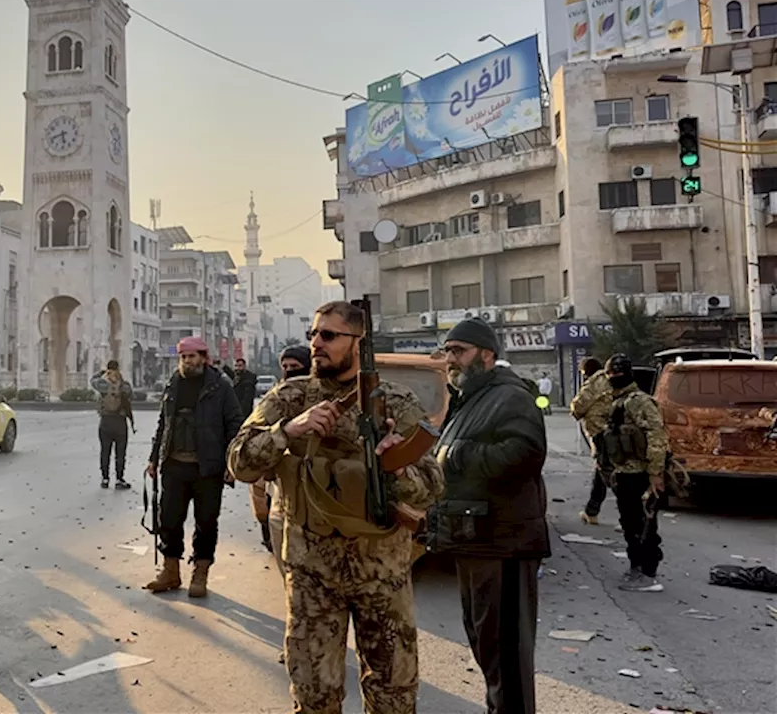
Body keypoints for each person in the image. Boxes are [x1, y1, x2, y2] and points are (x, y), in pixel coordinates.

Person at [228, 301, 444, 714]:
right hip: (312, 577)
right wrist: (289, 430)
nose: (315, 343)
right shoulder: (290, 398)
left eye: (328, 335)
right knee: (314, 698)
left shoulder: (396, 402)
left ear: (358, 344)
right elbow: (238, 462)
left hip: (382, 577)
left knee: (393, 698)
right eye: (314, 334)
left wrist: (395, 467)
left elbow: (432, 486)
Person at [428, 318, 548, 714]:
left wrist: (461, 455)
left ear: (487, 354)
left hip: (504, 545)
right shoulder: (471, 397)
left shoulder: (510, 395)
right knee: (488, 647)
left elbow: (526, 453)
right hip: (476, 540)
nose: (450, 359)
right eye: (447, 351)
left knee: (507, 657)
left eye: (458, 351)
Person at [144, 336, 243, 598]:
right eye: (184, 357)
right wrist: (154, 458)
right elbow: (163, 424)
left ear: (203, 357)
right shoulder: (173, 383)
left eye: (192, 356)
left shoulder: (220, 386)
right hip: (174, 465)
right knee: (169, 519)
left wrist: (231, 462)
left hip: (207, 468)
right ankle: (170, 571)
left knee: (206, 522)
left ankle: (200, 573)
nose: (188, 361)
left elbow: (235, 424)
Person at [598, 354, 670, 593]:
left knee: (643, 524)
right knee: (630, 523)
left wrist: (655, 474)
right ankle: (637, 567)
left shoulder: (639, 401)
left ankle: (647, 573)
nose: (615, 378)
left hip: (639, 473)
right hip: (624, 473)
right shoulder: (618, 401)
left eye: (618, 374)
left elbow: (657, 436)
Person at [249, 346, 313, 557]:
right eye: (285, 366)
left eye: (295, 366)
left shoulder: (317, 397)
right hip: (277, 477)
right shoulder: (276, 398)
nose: (289, 370)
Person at [570, 357, 612, 525]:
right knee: (602, 471)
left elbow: (578, 406)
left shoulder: (594, 383)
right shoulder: (612, 379)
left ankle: (634, 515)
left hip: (601, 432)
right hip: (619, 433)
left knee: (606, 472)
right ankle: (591, 511)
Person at [91, 359, 135, 489]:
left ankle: (105, 479)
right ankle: (119, 479)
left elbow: (92, 380)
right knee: (120, 452)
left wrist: (102, 372)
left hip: (105, 422)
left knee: (105, 451)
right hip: (120, 422)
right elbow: (131, 396)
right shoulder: (124, 385)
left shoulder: (102, 384)